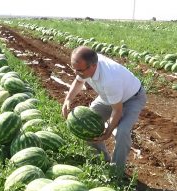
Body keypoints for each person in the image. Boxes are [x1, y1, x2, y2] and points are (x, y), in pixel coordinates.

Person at [62, 46, 147, 175]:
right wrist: (68, 99)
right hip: (108, 97)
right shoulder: (85, 66)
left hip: (132, 98)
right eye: (75, 69)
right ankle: (103, 161)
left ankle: (116, 172)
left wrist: (108, 132)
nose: (76, 73)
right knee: (87, 123)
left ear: (93, 66)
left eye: (79, 70)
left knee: (122, 131)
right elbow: (79, 82)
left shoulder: (110, 79)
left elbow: (117, 111)